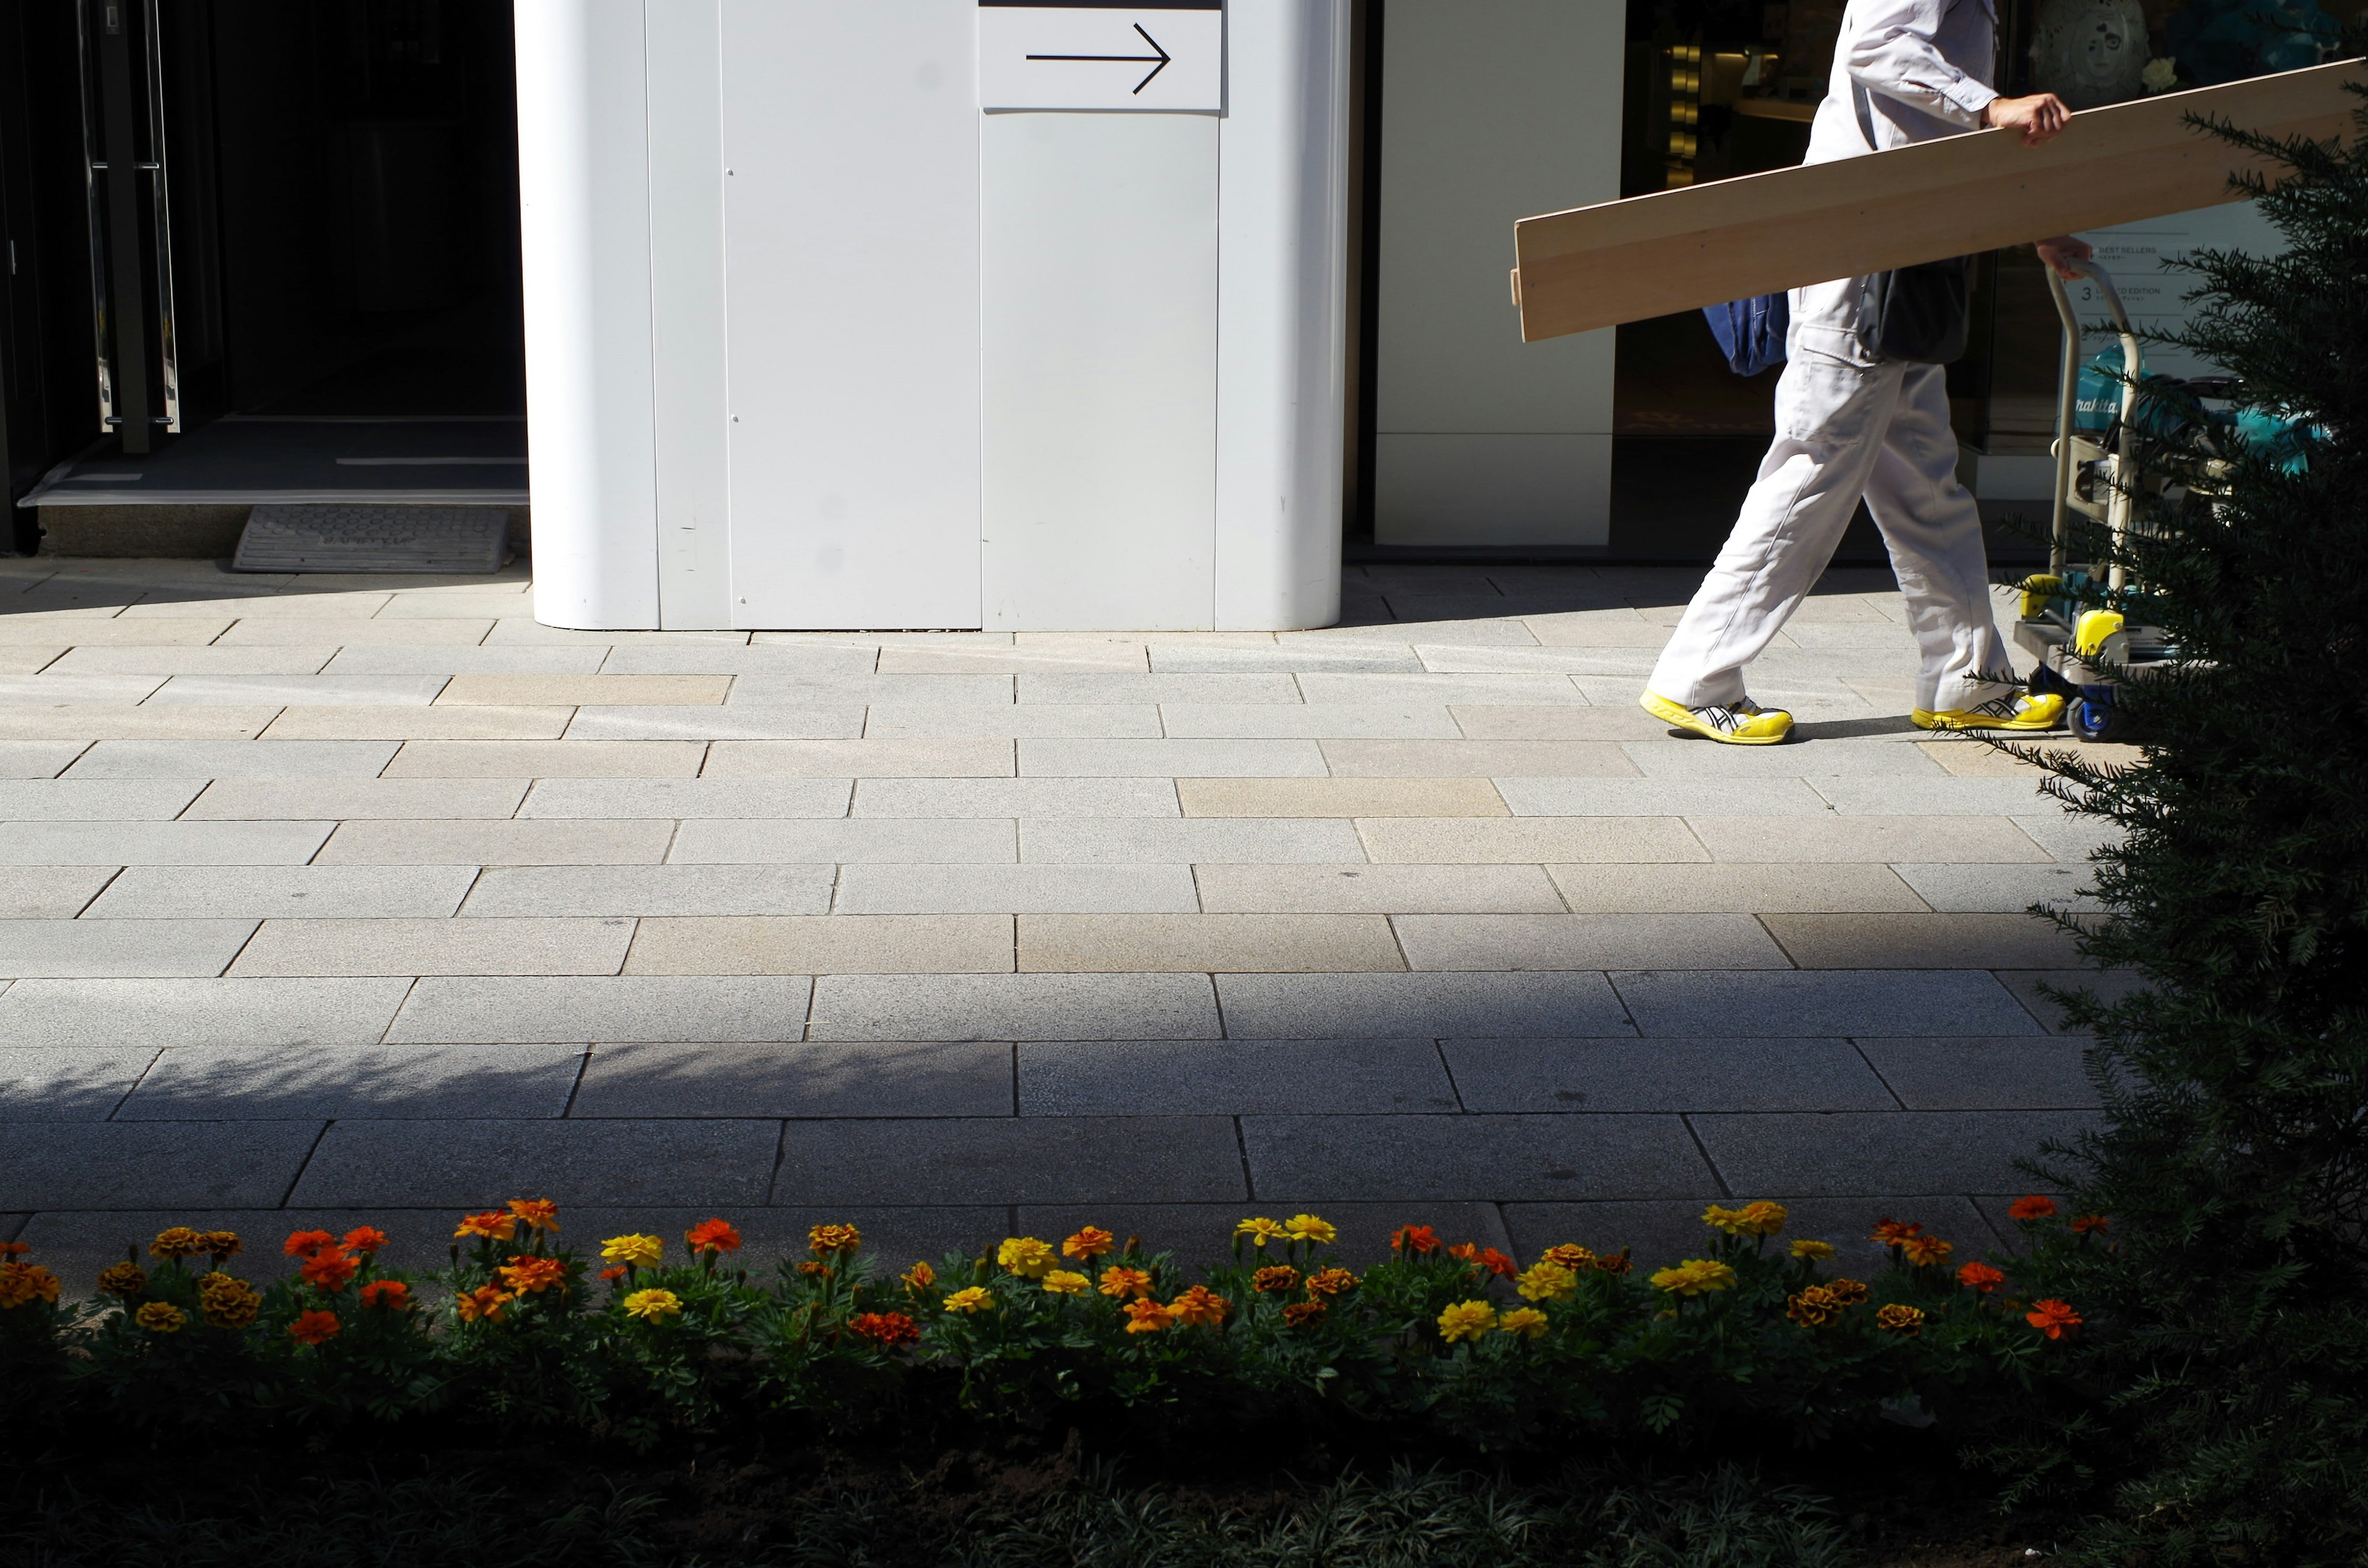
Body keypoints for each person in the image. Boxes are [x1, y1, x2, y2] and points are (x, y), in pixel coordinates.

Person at [1639, 0, 2095, 745]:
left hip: (1901, 269)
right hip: (1863, 266)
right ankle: (1695, 677)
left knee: (1926, 488)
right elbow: (1879, 47)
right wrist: (1994, 104)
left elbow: (1933, 136)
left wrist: (2031, 224)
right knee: (1812, 472)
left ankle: (1966, 681)